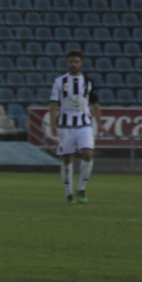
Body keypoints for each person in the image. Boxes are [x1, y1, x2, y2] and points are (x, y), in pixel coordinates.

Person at [48, 49, 100, 204]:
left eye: (76, 62)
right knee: (67, 158)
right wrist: (52, 123)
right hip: (65, 125)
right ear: (67, 63)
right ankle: (69, 191)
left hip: (84, 124)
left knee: (88, 153)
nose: (73, 64)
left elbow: (95, 103)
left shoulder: (88, 82)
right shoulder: (59, 81)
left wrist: (101, 122)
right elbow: (53, 103)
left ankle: (82, 188)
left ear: (81, 63)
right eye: (71, 61)